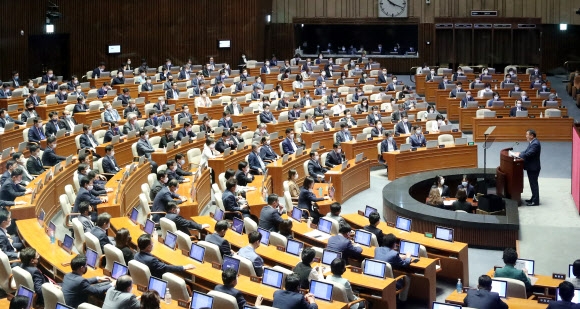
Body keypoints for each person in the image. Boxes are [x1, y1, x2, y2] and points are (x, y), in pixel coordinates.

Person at [374, 233, 411, 301]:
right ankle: (402, 301)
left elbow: (386, 256)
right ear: (394, 244)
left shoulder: (377, 249)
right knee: (407, 278)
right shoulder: (394, 254)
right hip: (388, 283)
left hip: (376, 279)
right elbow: (405, 264)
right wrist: (408, 257)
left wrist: (399, 256)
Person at [513, 129, 541, 206]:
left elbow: (529, 154)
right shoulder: (532, 142)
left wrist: (519, 155)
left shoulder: (535, 144)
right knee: (532, 183)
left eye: (527, 134)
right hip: (531, 167)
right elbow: (526, 151)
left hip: (533, 167)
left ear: (532, 136)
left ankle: (535, 201)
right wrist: (520, 153)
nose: (526, 136)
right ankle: (533, 198)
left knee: (534, 184)